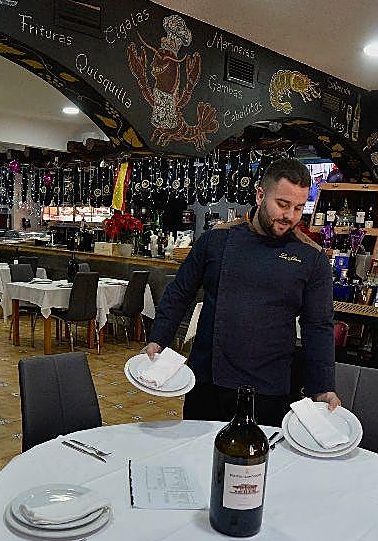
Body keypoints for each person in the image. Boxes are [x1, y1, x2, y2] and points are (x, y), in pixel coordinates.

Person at [142, 157, 340, 427]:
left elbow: (318, 326)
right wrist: (158, 340)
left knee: (258, 466)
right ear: (260, 195)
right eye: (282, 204)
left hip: (271, 388)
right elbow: (179, 293)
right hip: (208, 381)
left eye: (298, 207)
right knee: (200, 458)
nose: (290, 216)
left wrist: (322, 386)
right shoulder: (217, 239)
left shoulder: (311, 257)